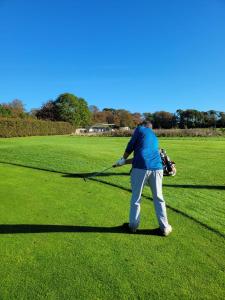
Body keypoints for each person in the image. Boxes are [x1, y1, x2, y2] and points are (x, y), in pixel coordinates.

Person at [115, 121, 172, 236]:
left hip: (140, 168)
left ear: (143, 126)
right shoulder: (154, 137)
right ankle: (165, 227)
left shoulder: (140, 129)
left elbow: (130, 145)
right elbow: (141, 156)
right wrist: (124, 162)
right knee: (159, 197)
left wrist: (123, 158)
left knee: (136, 197)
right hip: (157, 168)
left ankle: (133, 226)